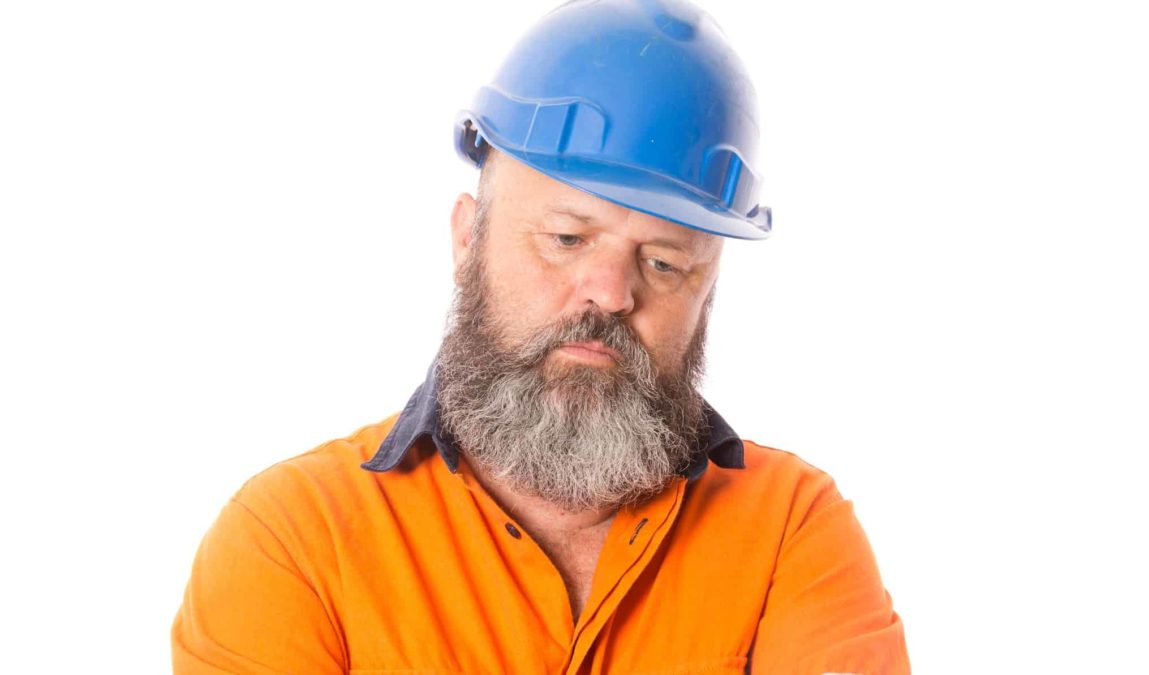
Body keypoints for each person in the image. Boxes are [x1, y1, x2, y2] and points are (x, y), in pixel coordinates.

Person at [171, 0, 910, 672]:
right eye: (566, 236)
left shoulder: (791, 531)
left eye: (662, 262)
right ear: (467, 239)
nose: (612, 293)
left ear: (707, 293)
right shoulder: (292, 540)